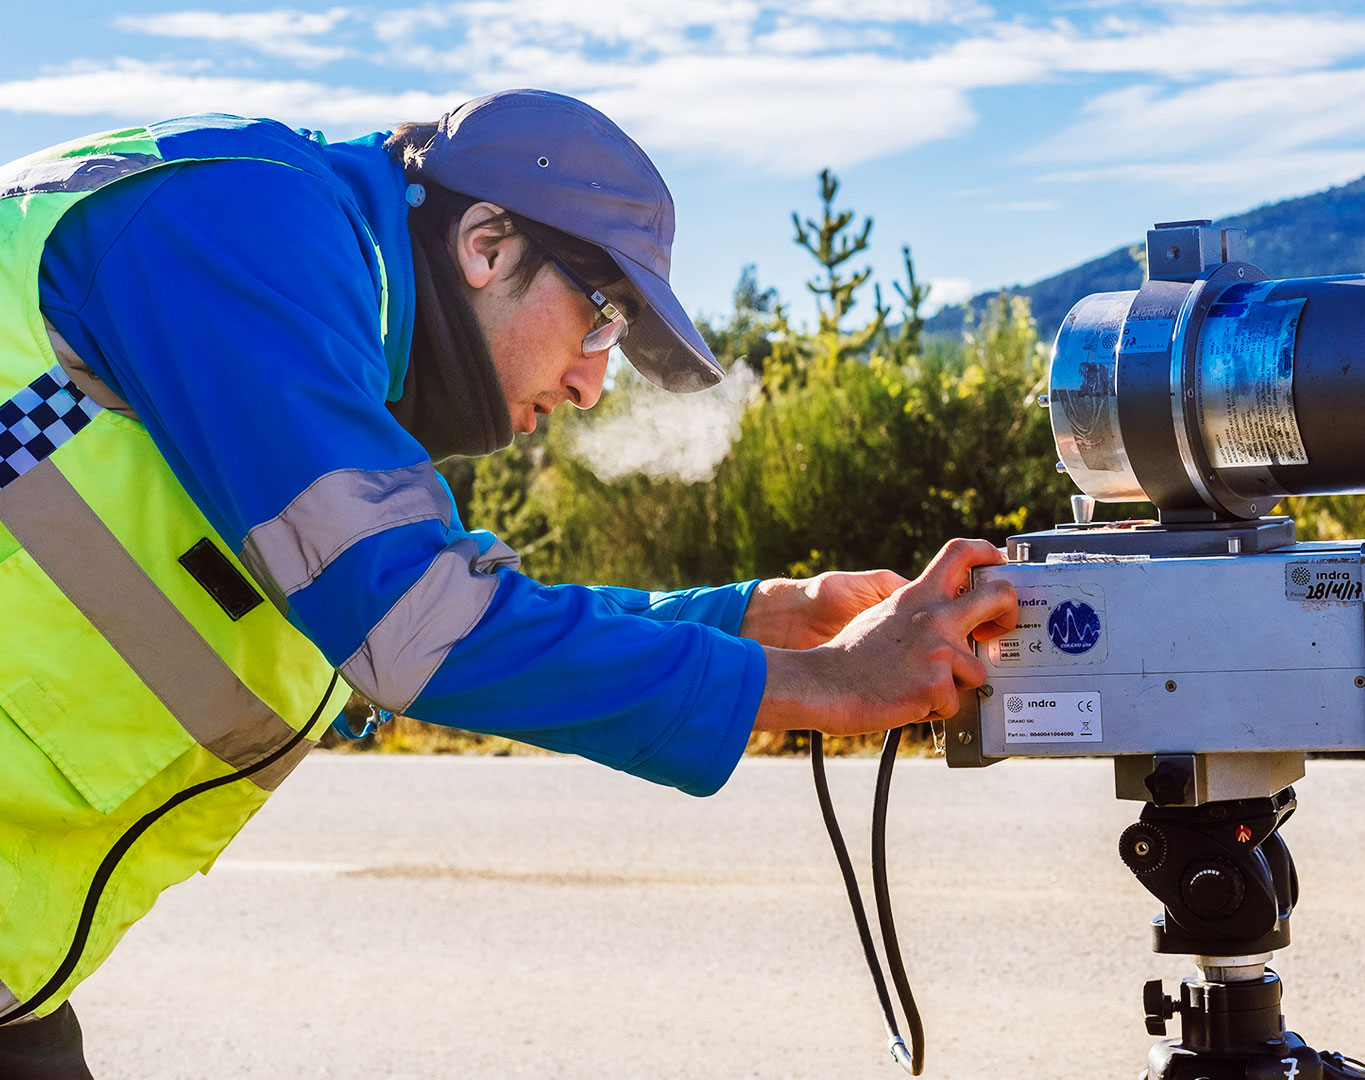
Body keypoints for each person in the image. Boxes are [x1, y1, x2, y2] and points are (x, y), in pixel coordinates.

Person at [0, 89, 1018, 1076]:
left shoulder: (318, 337)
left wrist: (761, 622)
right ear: (486, 245)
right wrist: (829, 685)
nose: (590, 384)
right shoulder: (243, 224)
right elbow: (420, 624)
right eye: (602, 323)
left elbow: (442, 601)